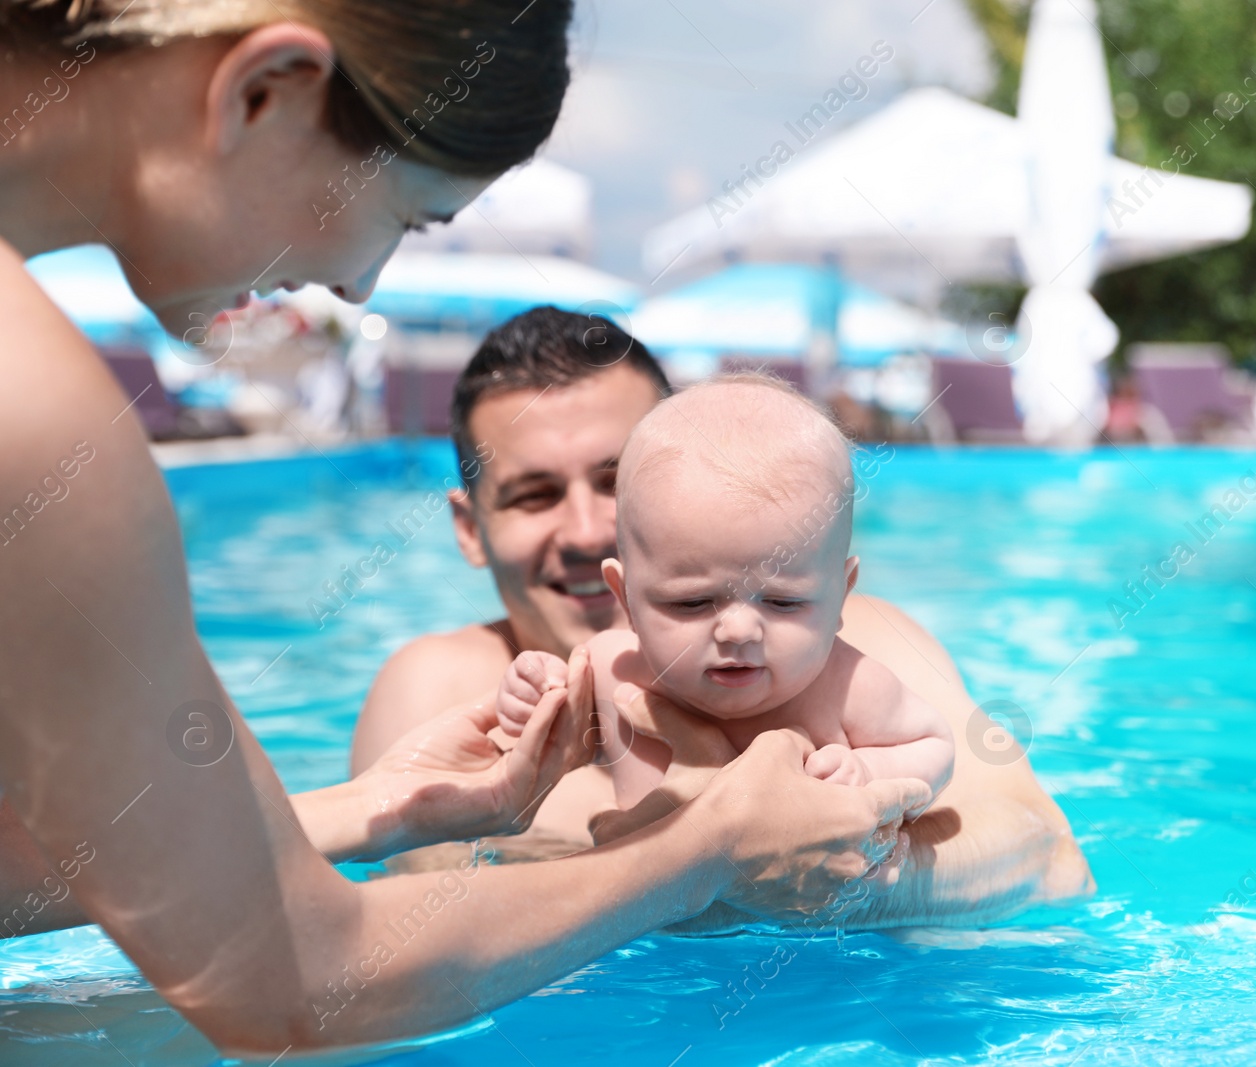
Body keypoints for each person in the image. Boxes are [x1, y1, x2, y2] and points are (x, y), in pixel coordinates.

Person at [0, 2, 927, 1054]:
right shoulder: (27, 402)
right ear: (266, 92)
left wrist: (374, 806)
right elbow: (291, 983)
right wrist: (706, 850)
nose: (362, 283)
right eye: (406, 217)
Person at [353, 307, 1094, 929]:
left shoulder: (860, 642)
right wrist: (715, 859)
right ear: (469, 527)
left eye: (619, 481)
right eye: (534, 494)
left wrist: (852, 883)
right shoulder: (449, 688)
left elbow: (1048, 852)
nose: (585, 530)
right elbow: (422, 931)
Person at [498, 376, 956, 815]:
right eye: (691, 603)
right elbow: (553, 749)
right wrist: (535, 702)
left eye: (782, 602)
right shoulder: (610, 671)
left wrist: (870, 768)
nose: (737, 631)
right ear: (625, 598)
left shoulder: (850, 689)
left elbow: (935, 746)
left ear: (841, 596)